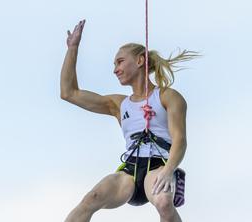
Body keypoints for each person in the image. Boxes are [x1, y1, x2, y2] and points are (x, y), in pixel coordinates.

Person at [61, 19, 198, 222]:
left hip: (159, 166)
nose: (115, 69)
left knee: (163, 203)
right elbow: (69, 93)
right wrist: (73, 48)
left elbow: (180, 140)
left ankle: (171, 183)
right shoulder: (118, 104)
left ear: (140, 61)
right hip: (130, 171)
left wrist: (169, 170)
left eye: (120, 61)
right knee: (91, 199)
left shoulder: (168, 96)